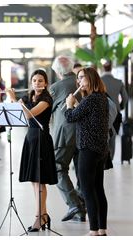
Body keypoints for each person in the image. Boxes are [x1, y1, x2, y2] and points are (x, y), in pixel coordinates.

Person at [3, 69, 57, 232]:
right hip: (30, 139)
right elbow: (15, 113)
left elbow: (29, 114)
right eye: (34, 80)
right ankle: (44, 215)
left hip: (41, 139)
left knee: (40, 181)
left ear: (46, 83)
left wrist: (14, 99)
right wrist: (5, 99)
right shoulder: (28, 97)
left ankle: (38, 218)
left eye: (40, 81)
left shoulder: (46, 99)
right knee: (35, 181)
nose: (37, 83)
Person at [65, 67, 109, 236]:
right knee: (98, 189)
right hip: (99, 150)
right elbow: (86, 117)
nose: (79, 81)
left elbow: (71, 118)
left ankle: (93, 230)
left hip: (88, 150)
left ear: (91, 78)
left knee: (87, 190)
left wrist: (69, 106)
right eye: (78, 78)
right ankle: (102, 228)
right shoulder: (100, 98)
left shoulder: (90, 100)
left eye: (82, 77)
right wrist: (77, 105)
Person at [50, 56, 86, 222]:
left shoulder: (56, 87)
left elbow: (45, 109)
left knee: (57, 167)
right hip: (85, 133)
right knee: (81, 171)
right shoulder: (82, 83)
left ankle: (74, 204)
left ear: (58, 71)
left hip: (66, 135)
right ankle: (82, 206)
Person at [101, 61, 128, 162]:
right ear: (111, 68)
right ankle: (110, 158)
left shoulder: (99, 80)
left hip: (101, 111)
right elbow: (125, 98)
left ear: (103, 68)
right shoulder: (118, 82)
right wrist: (120, 108)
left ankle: (102, 158)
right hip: (115, 112)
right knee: (113, 135)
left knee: (102, 134)